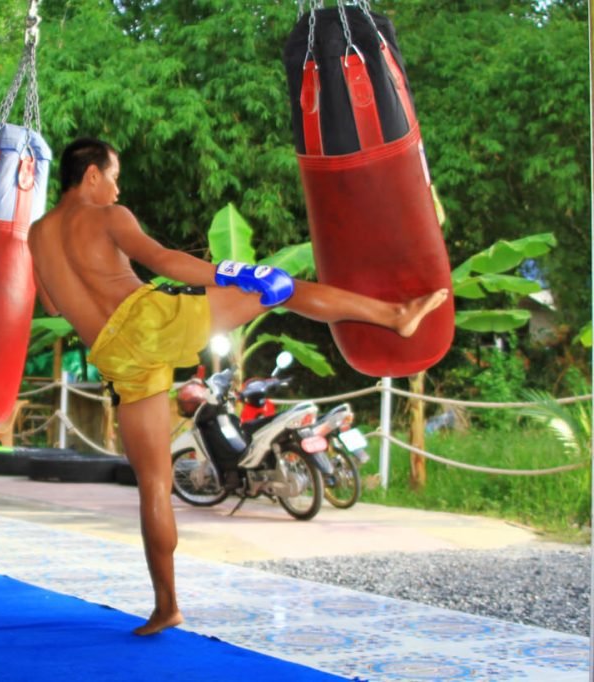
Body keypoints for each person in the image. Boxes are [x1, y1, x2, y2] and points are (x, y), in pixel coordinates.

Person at [28, 137, 448, 636]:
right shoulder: (109, 216)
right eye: (114, 176)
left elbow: (53, 307)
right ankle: (394, 315)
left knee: (154, 487)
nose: (117, 188)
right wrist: (235, 272)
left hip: (115, 357)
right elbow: (164, 262)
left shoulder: (36, 234)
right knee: (281, 290)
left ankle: (166, 606)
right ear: (91, 175)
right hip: (149, 321)